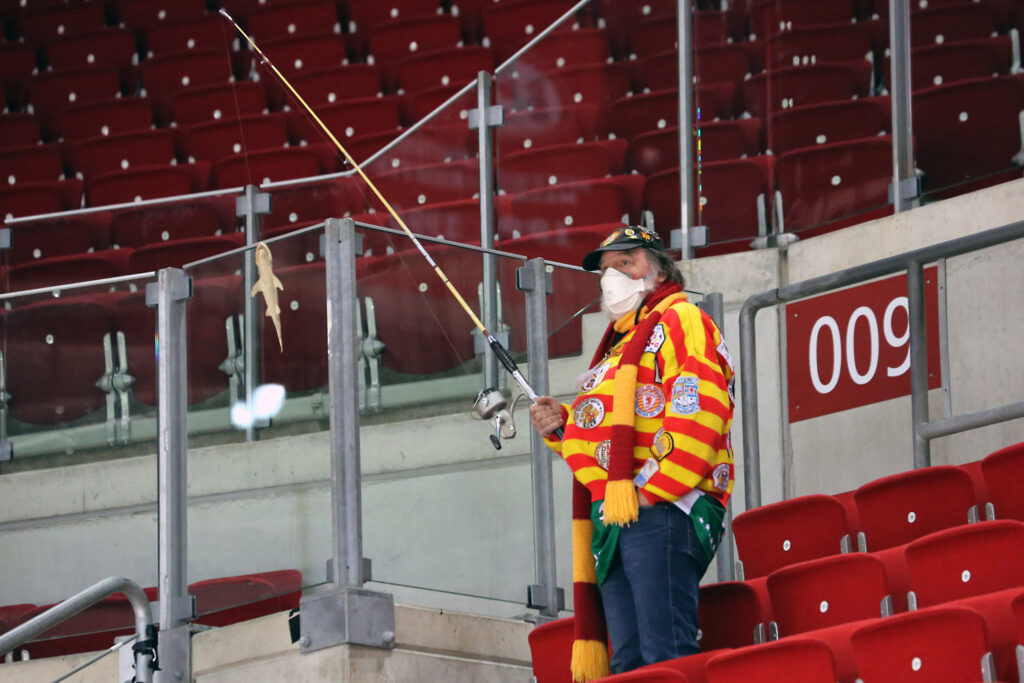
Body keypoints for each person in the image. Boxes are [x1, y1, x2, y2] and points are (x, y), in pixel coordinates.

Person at [529, 225, 736, 682]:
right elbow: (607, 438)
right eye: (605, 270)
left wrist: (652, 492)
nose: (612, 277)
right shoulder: (616, 347)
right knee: (627, 663)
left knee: (665, 650)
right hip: (617, 515)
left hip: (662, 508)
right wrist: (564, 424)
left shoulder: (681, 320)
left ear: (658, 269)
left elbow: (699, 405)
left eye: (626, 263)